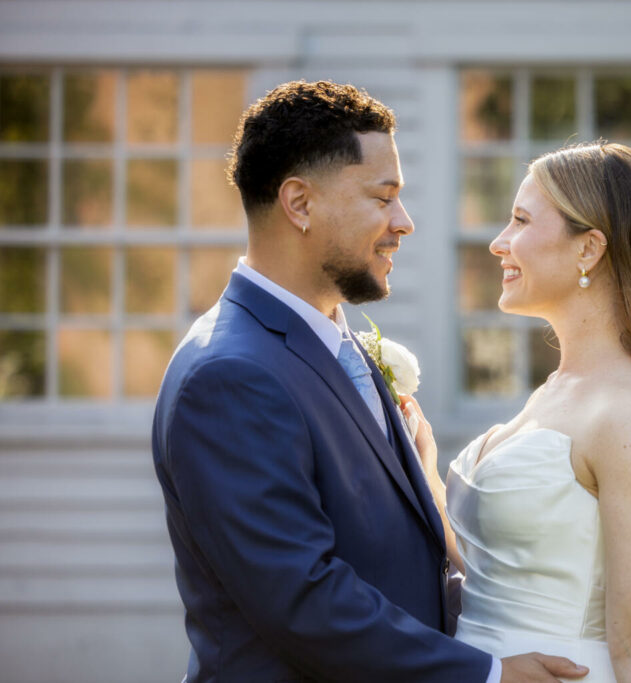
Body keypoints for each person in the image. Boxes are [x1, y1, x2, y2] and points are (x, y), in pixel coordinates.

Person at [151, 80, 588, 682]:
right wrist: (487, 674)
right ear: (299, 204)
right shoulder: (230, 376)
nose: (403, 223)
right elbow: (302, 600)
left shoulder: (335, 343)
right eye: (383, 198)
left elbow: (399, 559)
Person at [405, 142, 631, 681]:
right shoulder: (556, 390)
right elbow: (508, 572)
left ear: (589, 249)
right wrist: (426, 473)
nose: (497, 243)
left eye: (519, 220)